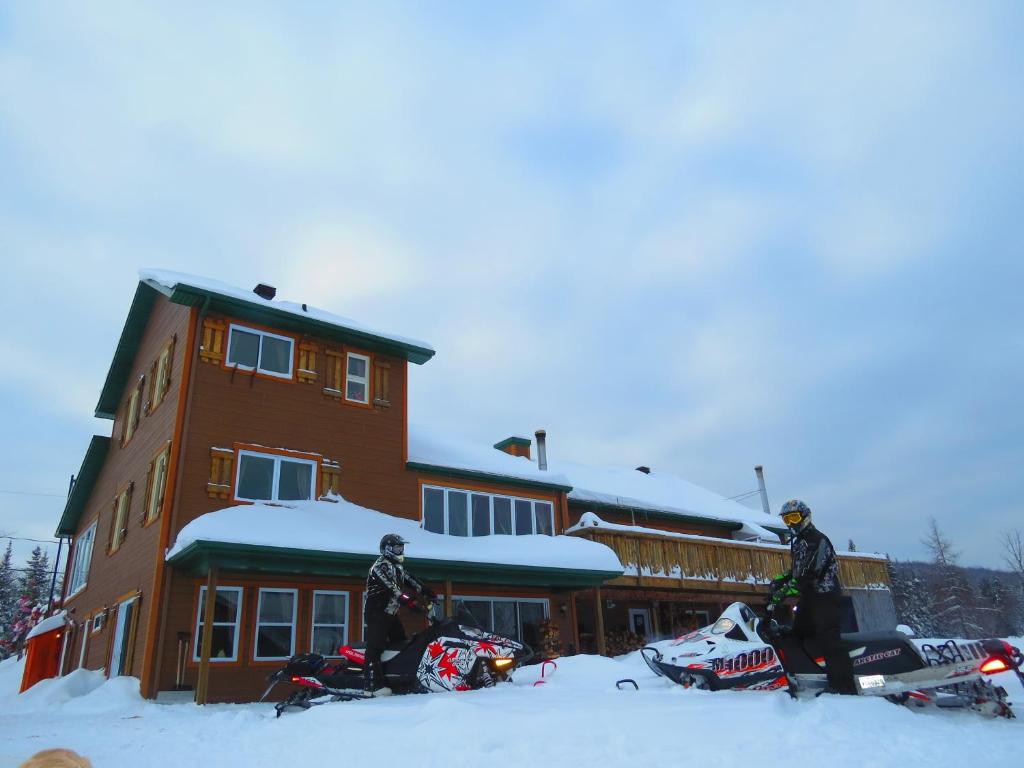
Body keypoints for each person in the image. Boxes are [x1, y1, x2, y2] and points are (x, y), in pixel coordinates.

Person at [769, 499, 856, 695]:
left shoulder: (817, 540)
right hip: (809, 596)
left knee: (828, 638)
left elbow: (809, 572)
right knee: (798, 633)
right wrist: (780, 580)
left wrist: (785, 591)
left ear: (805, 517)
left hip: (825, 595)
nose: (791, 523)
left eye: (794, 518)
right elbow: (797, 571)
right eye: (787, 520)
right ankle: (806, 673)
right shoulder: (799, 542)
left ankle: (843, 687)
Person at [363, 533, 434, 696]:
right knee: (375, 647)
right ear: (387, 549)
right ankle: (371, 686)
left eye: (401, 547)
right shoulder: (379, 567)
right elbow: (392, 589)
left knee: (400, 642)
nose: (400, 550)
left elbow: (411, 580)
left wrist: (428, 592)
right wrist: (411, 603)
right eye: (397, 548)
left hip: (390, 613)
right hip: (377, 613)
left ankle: (394, 676)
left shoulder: (397, 567)